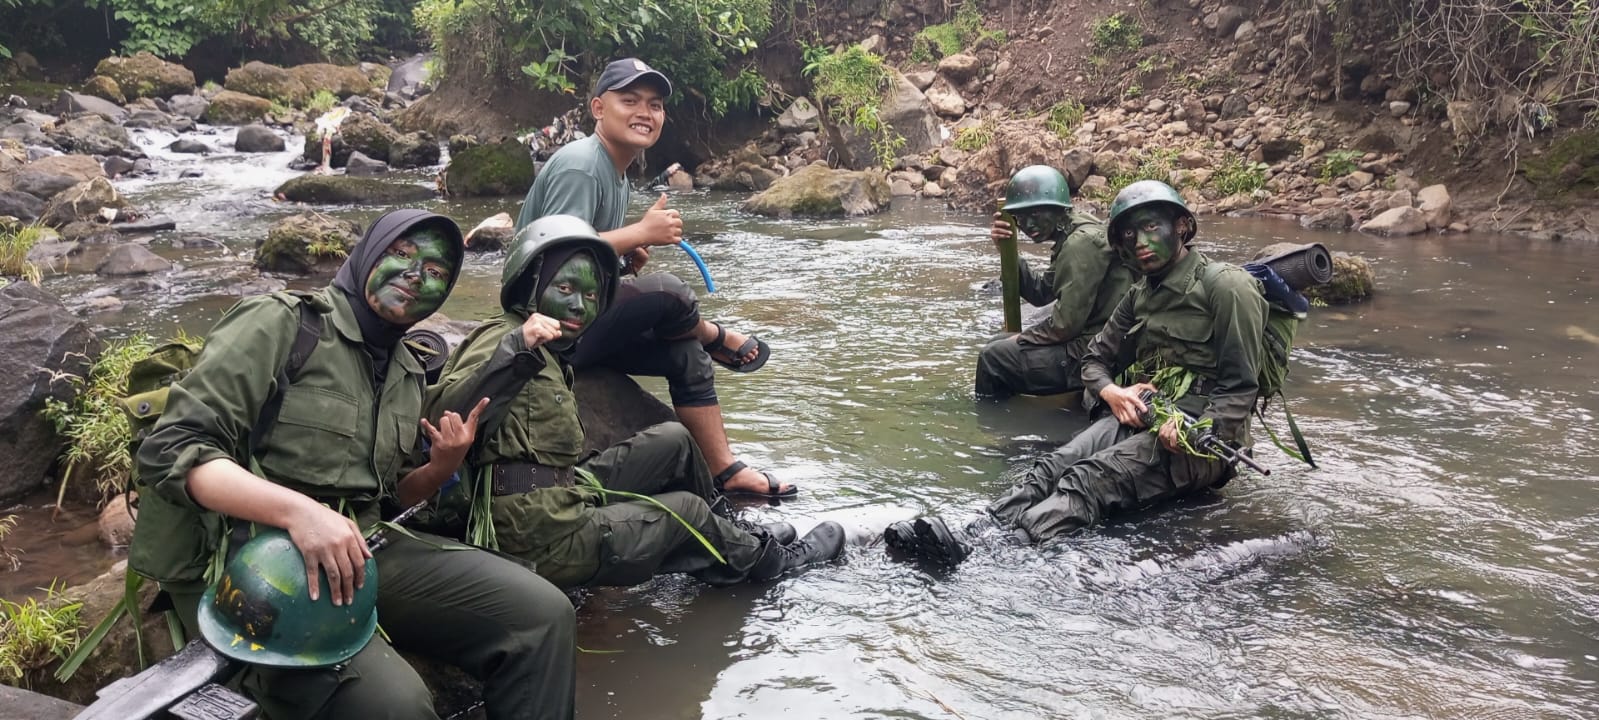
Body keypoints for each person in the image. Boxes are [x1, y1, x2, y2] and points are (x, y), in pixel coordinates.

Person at [129, 210, 576, 720]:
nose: (415, 276)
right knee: (397, 707)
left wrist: (441, 464)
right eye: (403, 256)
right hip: (254, 560)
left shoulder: (408, 367)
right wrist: (299, 513)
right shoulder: (282, 324)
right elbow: (173, 448)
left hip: (364, 549)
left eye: (434, 273)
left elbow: (391, 498)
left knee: (543, 615)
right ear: (368, 253)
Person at [426, 215, 845, 589]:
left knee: (675, 441)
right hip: (536, 533)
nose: (578, 306)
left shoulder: (552, 347)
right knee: (684, 512)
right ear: (529, 285)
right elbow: (438, 419)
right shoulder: (506, 337)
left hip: (561, 492)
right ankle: (771, 563)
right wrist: (516, 350)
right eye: (566, 288)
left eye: (591, 296)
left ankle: (729, 534)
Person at [888, 181, 1268, 564]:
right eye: (1130, 233)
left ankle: (994, 554)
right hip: (1148, 410)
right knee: (1052, 466)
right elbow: (1094, 360)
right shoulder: (1141, 294)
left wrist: (1197, 430)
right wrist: (1112, 393)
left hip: (1203, 442)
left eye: (1151, 227)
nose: (1139, 241)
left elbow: (1241, 389)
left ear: (1182, 226)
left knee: (1089, 478)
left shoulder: (1228, 287)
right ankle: (975, 530)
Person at [513, 57, 795, 499]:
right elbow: (556, 256)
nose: (646, 112)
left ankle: (724, 470)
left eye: (656, 104)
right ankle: (714, 335)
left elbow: (587, 260)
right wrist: (639, 233)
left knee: (683, 353)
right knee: (671, 291)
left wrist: (624, 260)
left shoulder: (616, 171)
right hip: (544, 330)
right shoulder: (581, 165)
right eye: (630, 100)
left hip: (578, 324)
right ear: (598, 108)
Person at [975, 165, 1133, 399]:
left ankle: (993, 425)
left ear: (1057, 209)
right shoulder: (1070, 232)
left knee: (992, 358)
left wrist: (1022, 338)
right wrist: (1006, 250)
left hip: (1098, 350)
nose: (1028, 226)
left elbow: (1064, 326)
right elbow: (1041, 293)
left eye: (1035, 215)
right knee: (998, 343)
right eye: (1020, 218)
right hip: (1094, 338)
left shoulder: (1079, 244)